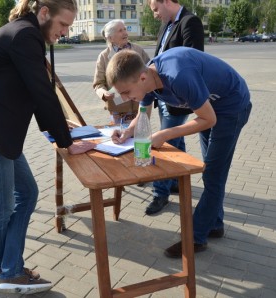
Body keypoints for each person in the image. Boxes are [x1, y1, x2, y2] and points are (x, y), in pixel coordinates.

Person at [0, 0, 95, 294]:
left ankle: (10, 267)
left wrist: (61, 129)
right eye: (63, 25)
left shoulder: (26, 33)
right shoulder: (25, 35)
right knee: (2, 206)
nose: (66, 32)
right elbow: (41, 91)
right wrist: (66, 143)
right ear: (44, 13)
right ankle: (10, 273)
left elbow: (37, 90)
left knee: (27, 193)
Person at [106, 47, 252, 258]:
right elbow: (144, 113)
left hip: (231, 106)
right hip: (210, 107)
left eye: (126, 92)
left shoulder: (178, 76)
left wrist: (164, 134)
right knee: (210, 168)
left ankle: (196, 238)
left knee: (213, 174)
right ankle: (215, 224)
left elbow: (209, 120)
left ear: (143, 76)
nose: (124, 98)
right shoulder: (147, 81)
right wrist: (127, 132)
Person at [144, 0, 204, 215]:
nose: (154, 15)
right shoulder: (166, 24)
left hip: (178, 95)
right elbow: (158, 56)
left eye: (155, 9)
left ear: (167, 2)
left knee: (164, 143)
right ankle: (178, 181)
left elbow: (190, 59)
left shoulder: (190, 22)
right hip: (162, 93)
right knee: (175, 141)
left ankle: (160, 194)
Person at [93, 19, 150, 125]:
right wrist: (104, 93)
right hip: (118, 107)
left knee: (140, 135)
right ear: (110, 38)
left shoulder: (138, 50)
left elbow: (150, 71)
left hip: (140, 104)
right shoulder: (104, 56)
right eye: (120, 30)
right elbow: (98, 84)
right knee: (121, 137)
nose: (125, 33)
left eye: (125, 29)